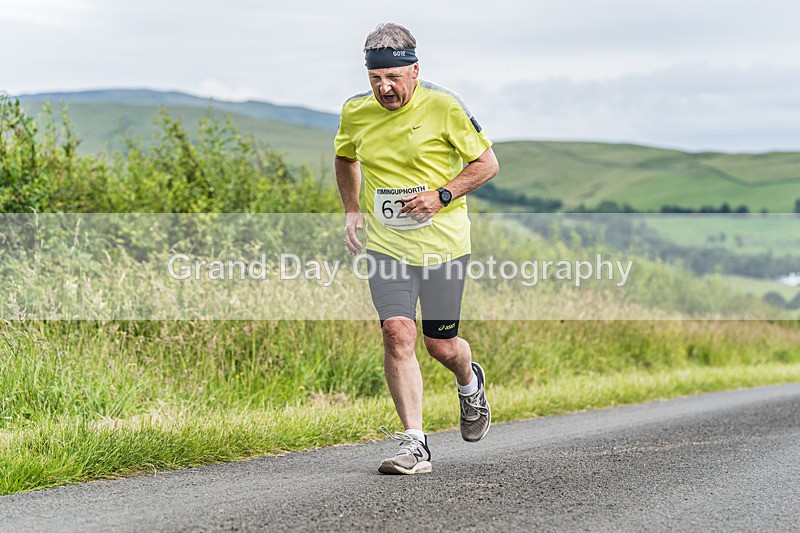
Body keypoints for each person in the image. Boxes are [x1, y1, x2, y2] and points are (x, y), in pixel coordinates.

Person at [334, 22, 499, 475]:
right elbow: (345, 157)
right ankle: (415, 443)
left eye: (393, 77)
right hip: (387, 246)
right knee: (397, 333)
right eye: (376, 79)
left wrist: (442, 195)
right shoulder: (355, 112)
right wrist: (352, 209)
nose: (385, 88)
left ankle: (470, 383)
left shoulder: (444, 106)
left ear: (414, 70)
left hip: (443, 246)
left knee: (440, 345)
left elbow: (486, 164)